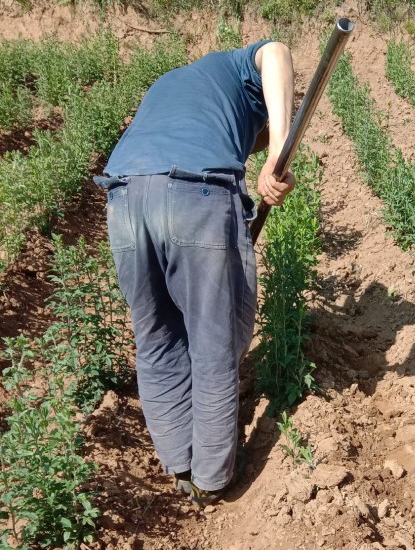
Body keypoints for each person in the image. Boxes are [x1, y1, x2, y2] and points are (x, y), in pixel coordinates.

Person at [96, 40, 295, 506]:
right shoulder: (237, 65)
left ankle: (180, 464)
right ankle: (211, 476)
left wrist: (261, 147)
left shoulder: (176, 86)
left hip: (124, 198)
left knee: (157, 336)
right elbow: (278, 52)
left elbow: (237, 134)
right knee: (213, 340)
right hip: (195, 193)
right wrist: (280, 147)